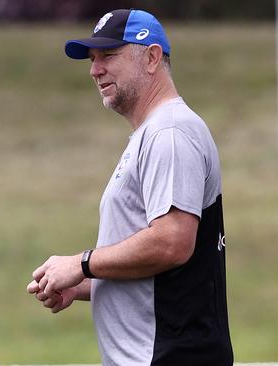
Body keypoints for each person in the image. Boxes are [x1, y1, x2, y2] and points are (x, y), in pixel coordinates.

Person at [27, 9, 233, 366]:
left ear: (152, 57)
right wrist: (84, 285)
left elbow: (172, 242)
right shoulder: (155, 133)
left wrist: (83, 263)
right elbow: (160, 279)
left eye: (109, 55)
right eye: (92, 60)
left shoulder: (170, 133)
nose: (95, 70)